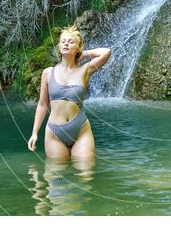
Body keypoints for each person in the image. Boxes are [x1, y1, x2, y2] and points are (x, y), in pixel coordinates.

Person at [27, 25, 111, 161]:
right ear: (59, 46)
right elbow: (42, 104)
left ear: (77, 48)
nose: (66, 43)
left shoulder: (85, 70)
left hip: (81, 129)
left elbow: (106, 52)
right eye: (63, 41)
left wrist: (85, 53)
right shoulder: (48, 73)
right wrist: (34, 133)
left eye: (71, 42)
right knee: (57, 177)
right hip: (54, 132)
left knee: (85, 176)